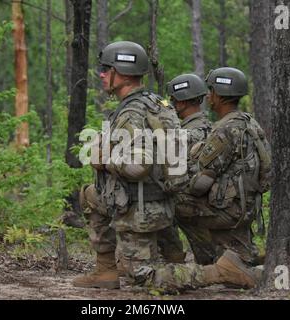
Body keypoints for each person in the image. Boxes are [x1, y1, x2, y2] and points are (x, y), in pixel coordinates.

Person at [73, 42, 261, 292]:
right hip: (161, 203)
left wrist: (103, 158)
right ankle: (112, 268)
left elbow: (139, 165)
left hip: (136, 206)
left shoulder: (132, 112)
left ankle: (218, 271)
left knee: (143, 278)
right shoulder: (156, 104)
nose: (102, 74)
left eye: (107, 69)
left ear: (123, 73)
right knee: (90, 195)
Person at [186, 67, 272, 266]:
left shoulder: (225, 129)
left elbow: (201, 183)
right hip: (248, 208)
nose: (208, 95)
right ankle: (239, 251)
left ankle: (207, 258)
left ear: (221, 95)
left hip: (229, 212)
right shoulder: (250, 123)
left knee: (173, 202)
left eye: (212, 90)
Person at [157, 73, 215, 265]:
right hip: (207, 203)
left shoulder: (191, 132)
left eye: (173, 99)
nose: (171, 103)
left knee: (156, 199)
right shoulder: (209, 126)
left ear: (182, 102)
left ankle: (172, 253)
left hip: (193, 204)